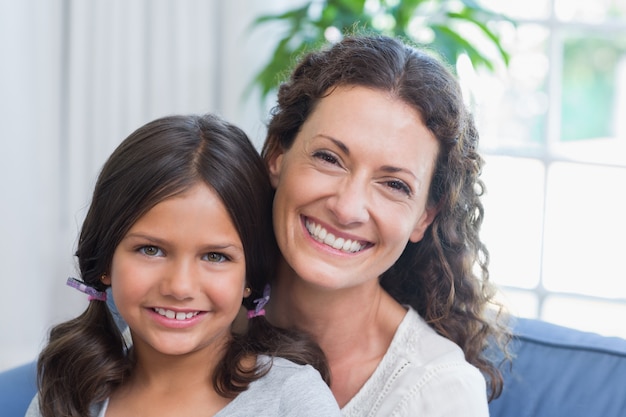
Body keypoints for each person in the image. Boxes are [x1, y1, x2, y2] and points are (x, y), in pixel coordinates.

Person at [26, 113, 342, 417]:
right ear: (105, 260)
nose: (179, 287)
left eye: (215, 257)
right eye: (151, 250)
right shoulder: (68, 395)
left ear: (250, 276)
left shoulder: (293, 400)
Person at [261, 34, 511, 416]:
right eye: (329, 158)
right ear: (278, 154)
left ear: (424, 217)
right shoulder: (195, 315)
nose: (347, 209)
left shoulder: (439, 393)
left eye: (394, 185)